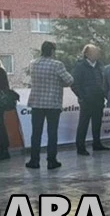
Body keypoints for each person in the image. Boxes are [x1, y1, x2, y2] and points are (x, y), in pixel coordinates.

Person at [26, 41, 74, 170]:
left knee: (36, 133)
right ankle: (51, 160)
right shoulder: (57, 65)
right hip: (52, 103)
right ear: (52, 51)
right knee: (52, 132)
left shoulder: (33, 63)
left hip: (36, 103)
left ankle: (34, 160)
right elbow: (70, 80)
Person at [71, 44, 109, 156]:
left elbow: (104, 80)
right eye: (94, 52)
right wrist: (82, 97)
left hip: (98, 99)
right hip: (86, 101)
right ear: (87, 54)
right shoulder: (80, 66)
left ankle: (97, 143)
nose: (97, 54)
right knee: (83, 123)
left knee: (97, 123)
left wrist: (104, 93)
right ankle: (80, 146)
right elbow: (74, 84)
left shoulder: (99, 65)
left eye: (97, 52)